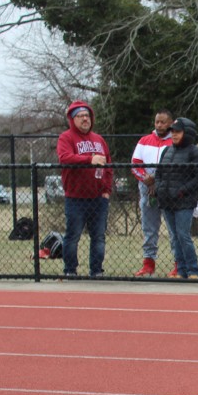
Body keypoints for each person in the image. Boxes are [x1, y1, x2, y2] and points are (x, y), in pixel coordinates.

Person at [56, 102, 112, 277]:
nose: (85, 119)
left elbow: (108, 166)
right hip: (75, 198)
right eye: (80, 116)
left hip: (98, 198)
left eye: (87, 115)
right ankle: (70, 270)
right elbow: (65, 158)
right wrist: (89, 160)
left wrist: (107, 190)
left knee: (98, 237)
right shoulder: (66, 138)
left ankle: (96, 271)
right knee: (72, 236)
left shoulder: (99, 139)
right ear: (73, 120)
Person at [154, 117, 198, 279]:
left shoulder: (194, 152)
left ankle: (193, 270)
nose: (174, 135)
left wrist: (182, 191)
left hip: (184, 201)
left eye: (178, 132)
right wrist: (159, 188)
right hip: (167, 200)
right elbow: (159, 173)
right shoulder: (167, 151)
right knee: (174, 237)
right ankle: (181, 270)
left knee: (183, 235)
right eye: (172, 132)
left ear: (187, 133)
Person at [130, 110, 176, 277]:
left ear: (171, 123)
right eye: (157, 122)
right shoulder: (144, 141)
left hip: (168, 189)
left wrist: (157, 179)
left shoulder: (174, 141)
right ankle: (148, 264)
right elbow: (135, 163)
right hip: (147, 189)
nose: (159, 125)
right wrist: (146, 179)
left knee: (173, 228)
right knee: (149, 228)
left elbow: (175, 166)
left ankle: (178, 263)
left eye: (163, 122)